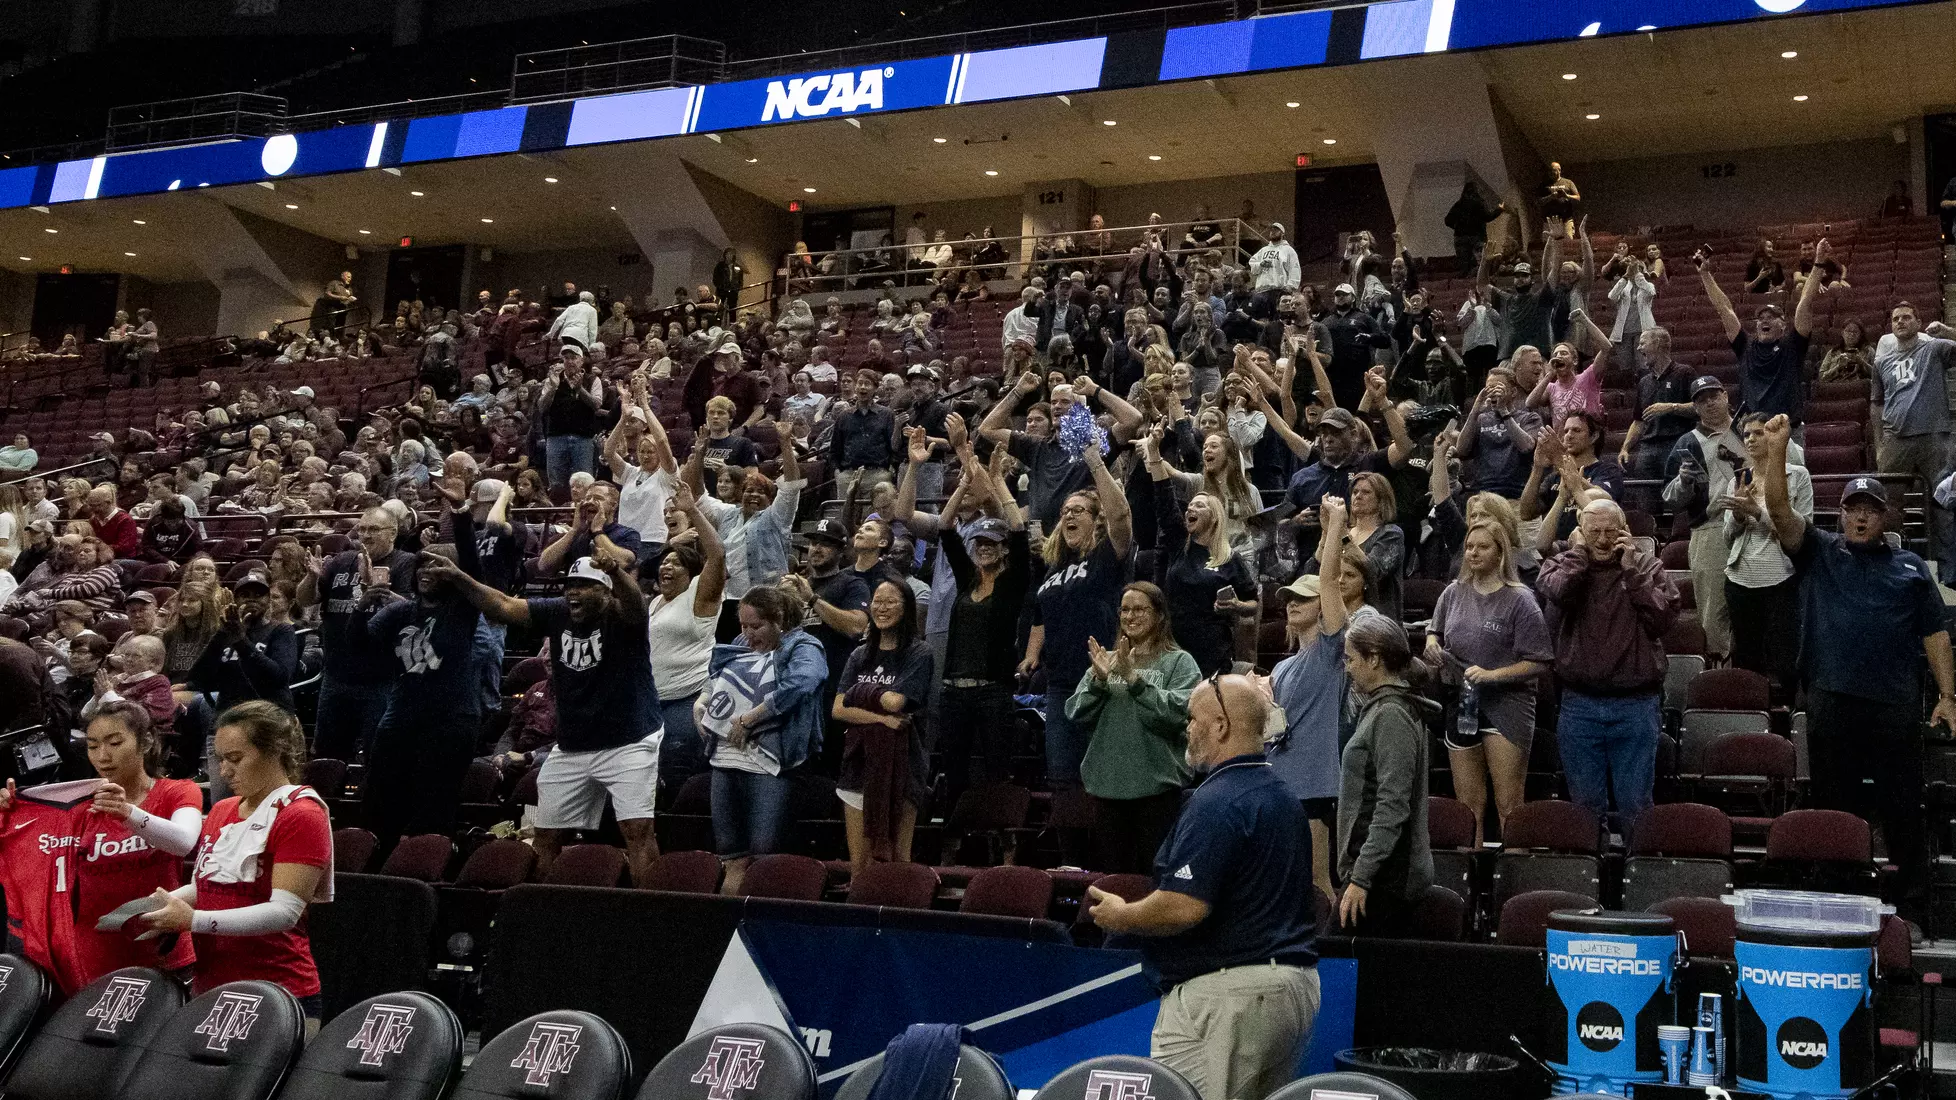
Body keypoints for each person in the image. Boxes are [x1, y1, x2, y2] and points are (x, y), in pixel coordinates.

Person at [1084, 674, 1319, 1100]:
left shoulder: (1216, 802)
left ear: (1221, 726)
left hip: (1228, 996)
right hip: (1291, 989)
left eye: (1193, 718)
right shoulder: (1284, 797)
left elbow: (1183, 907)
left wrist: (1122, 916)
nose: (1186, 728)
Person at [1759, 416, 1956, 911]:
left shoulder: (1910, 567)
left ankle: (1907, 905)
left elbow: (1935, 633)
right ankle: (1834, 896)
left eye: (1871, 510)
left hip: (1893, 705)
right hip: (1831, 699)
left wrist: (1949, 697)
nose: (1861, 518)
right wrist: (1780, 450)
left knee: (1902, 806)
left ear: (1886, 517)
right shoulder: (1821, 552)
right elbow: (1780, 511)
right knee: (1833, 805)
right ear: (1841, 516)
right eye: (1853, 510)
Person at [441, 545, 663, 886]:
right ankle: (539, 906)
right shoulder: (558, 612)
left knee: (637, 829)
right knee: (546, 833)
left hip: (628, 740)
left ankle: (653, 911)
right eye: (569, 585)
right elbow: (502, 605)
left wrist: (618, 572)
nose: (572, 592)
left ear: (605, 591)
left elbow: (636, 605)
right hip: (573, 742)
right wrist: (459, 578)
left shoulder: (622, 616)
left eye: (584, 585)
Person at [140, 702, 332, 1018]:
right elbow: (206, 890)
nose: (225, 771)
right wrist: (153, 906)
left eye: (236, 759)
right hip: (211, 986)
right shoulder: (221, 809)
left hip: (279, 993)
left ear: (276, 750)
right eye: (220, 759)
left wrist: (193, 921)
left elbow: (285, 912)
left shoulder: (301, 814)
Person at [350, 490, 485, 858]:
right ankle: (378, 863)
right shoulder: (401, 612)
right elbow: (357, 646)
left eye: (437, 568)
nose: (427, 573)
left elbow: (472, 566)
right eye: (423, 567)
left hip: (451, 718)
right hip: (403, 714)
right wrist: (362, 604)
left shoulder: (461, 611)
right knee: (379, 798)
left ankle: (426, 867)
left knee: (434, 802)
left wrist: (459, 513)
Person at [1537, 499, 1678, 839]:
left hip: (1636, 705)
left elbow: (1662, 618)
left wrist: (1632, 572)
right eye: (1593, 532)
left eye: (1610, 531)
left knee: (1636, 807)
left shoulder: (1648, 567)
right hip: (1579, 705)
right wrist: (1578, 557)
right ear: (1580, 534)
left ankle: (1637, 878)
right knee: (1584, 810)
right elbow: (1558, 592)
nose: (1602, 540)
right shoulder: (1564, 564)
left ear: (1624, 532)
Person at [1425, 521, 1551, 843]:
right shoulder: (1453, 592)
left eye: (1483, 547)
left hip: (1507, 703)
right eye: (1469, 547)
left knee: (1508, 804)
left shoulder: (1520, 599)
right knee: (1467, 807)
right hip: (1463, 700)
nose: (1473, 553)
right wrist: (1431, 643)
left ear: (1500, 552)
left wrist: (1493, 675)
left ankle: (1513, 873)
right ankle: (1473, 876)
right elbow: (1434, 631)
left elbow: (1539, 661)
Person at [700, 585, 829, 896]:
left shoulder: (804, 646)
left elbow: (804, 682)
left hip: (772, 763)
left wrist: (751, 718)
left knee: (764, 853)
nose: (747, 634)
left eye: (756, 626)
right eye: (743, 625)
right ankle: (728, 926)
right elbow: (717, 678)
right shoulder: (740, 643)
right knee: (731, 854)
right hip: (725, 760)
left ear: (779, 620)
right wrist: (701, 703)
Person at [1025, 442, 1134, 791]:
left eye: (1078, 511)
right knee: (1062, 781)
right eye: (1065, 512)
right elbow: (1040, 617)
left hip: (1103, 678)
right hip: (1059, 686)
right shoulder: (1053, 568)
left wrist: (1094, 462)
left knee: (1104, 777)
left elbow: (1121, 517)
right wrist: (1031, 654)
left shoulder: (1105, 557)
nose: (1068, 516)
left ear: (1095, 519)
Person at [1070, 582, 1198, 875]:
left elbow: (1180, 714)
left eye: (1140, 609)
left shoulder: (1179, 662)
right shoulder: (1106, 661)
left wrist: (1135, 681)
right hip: (1108, 792)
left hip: (1156, 795)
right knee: (1113, 882)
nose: (1131, 616)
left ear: (1159, 616)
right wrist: (1098, 682)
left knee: (1153, 879)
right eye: (1125, 610)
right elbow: (1076, 713)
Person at [1267, 497, 1357, 901]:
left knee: (1319, 883)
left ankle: (1332, 952)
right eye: (1288, 598)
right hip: (1278, 783)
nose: (1291, 603)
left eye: (1301, 598)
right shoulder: (1281, 668)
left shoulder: (1329, 652)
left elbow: (1329, 581)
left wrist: (1335, 525)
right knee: (1285, 883)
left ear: (1322, 606)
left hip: (1313, 785)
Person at [932, 447, 1031, 811]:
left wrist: (1000, 484)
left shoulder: (1013, 583)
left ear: (1004, 551)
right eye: (980, 544)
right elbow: (944, 527)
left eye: (992, 544)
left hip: (993, 692)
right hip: (954, 690)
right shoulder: (966, 580)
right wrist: (962, 485)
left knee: (996, 771)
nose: (984, 549)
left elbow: (1019, 530)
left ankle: (1003, 846)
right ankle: (953, 845)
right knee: (953, 771)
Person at [1337, 616, 1436, 936]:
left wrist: (1361, 878)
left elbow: (1392, 806)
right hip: (1377, 878)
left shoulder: (1392, 714)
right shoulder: (1385, 709)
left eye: (1351, 659)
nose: (1347, 668)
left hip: (1384, 882)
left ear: (1374, 659)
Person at [299, 506, 419, 761]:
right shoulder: (341, 561)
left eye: (374, 529)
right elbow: (305, 599)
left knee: (378, 755)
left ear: (393, 532)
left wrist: (376, 590)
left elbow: (412, 612)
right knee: (327, 755)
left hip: (381, 679)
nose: (365, 535)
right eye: (362, 529)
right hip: (336, 674)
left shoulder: (405, 562)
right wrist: (311, 577)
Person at [831, 579, 933, 880]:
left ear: (907, 608)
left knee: (896, 860)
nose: (882, 607)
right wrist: (879, 719)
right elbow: (838, 709)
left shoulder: (919, 653)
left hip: (902, 765)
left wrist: (862, 692)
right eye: (877, 600)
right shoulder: (859, 655)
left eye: (891, 601)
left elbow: (895, 702)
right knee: (860, 866)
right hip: (858, 763)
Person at [1722, 413, 1811, 704]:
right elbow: (1727, 536)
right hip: (1739, 578)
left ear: (1772, 436)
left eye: (1758, 433)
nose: (1750, 438)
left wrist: (1758, 513)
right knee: (1746, 659)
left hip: (1781, 578)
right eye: (1746, 434)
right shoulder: (1737, 480)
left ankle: (1785, 719)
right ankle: (1751, 715)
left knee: (1785, 660)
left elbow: (1802, 532)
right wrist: (1737, 515)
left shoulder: (1797, 476)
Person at [646, 482, 726, 788]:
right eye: (664, 562)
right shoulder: (654, 602)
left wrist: (691, 508)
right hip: (651, 701)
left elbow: (717, 555)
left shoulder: (698, 595)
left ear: (691, 573)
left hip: (685, 699)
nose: (666, 566)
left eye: (675, 563)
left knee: (676, 770)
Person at [1662, 377, 1746, 661]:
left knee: (1756, 605)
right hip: (1711, 529)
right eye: (1701, 399)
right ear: (1695, 407)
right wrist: (1683, 483)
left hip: (1756, 525)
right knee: (1713, 610)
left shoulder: (1750, 429)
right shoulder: (1687, 442)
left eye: (1714, 395)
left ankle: (1755, 675)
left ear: (1725, 395)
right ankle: (1720, 674)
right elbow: (1669, 499)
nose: (1709, 403)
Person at [1697, 240, 1821, 427]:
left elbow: (1806, 303)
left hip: (1786, 427)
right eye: (1761, 318)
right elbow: (1724, 309)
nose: (1764, 320)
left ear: (1783, 325)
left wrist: (1818, 263)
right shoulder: (1745, 346)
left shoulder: (1792, 346)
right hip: (1753, 429)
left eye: (1771, 317)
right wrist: (1705, 274)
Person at [1618, 328, 1695, 480]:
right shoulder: (1644, 382)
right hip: (1648, 449)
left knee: (1676, 496)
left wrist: (1671, 407)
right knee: (1645, 496)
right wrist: (1625, 448)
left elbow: (1699, 407)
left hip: (1677, 443)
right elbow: (1639, 421)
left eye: (1642, 343)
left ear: (1657, 343)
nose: (1639, 348)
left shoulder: (1685, 373)